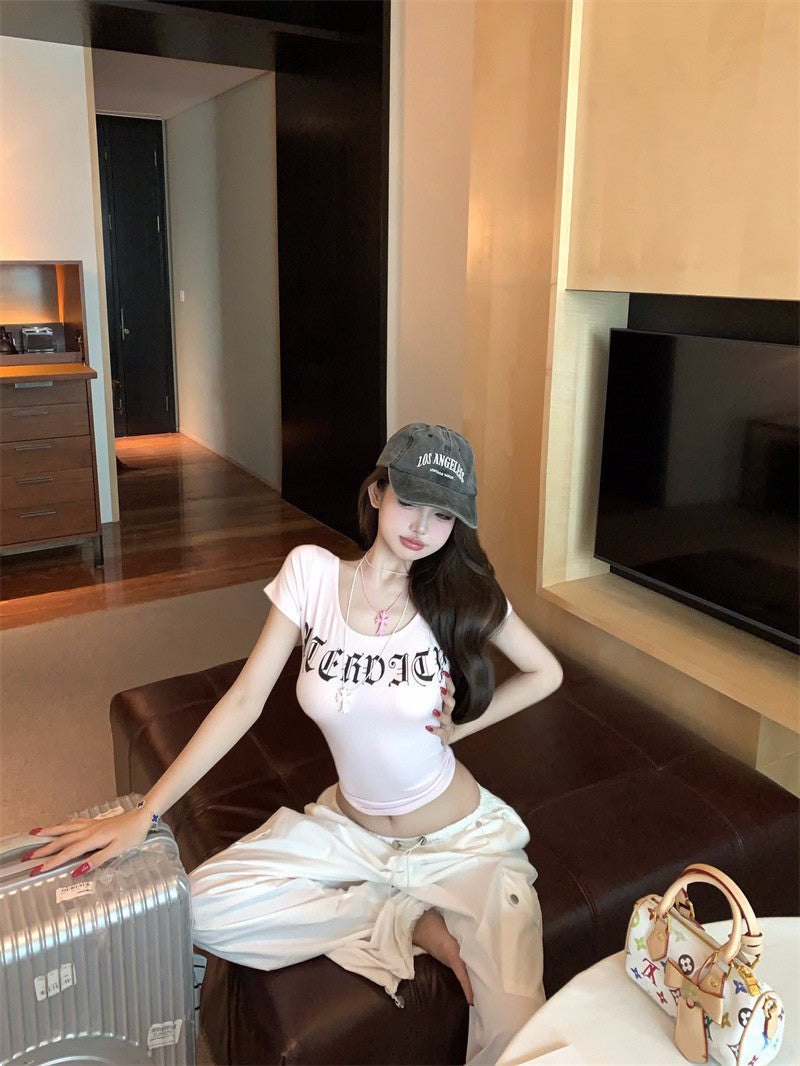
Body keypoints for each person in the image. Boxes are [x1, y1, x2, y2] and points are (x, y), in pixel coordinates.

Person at [25, 422, 563, 1064]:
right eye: (410, 500)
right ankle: (398, 916)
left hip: (460, 844)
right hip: (350, 832)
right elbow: (244, 702)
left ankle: (402, 906)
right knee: (196, 909)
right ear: (377, 493)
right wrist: (147, 812)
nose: (422, 526)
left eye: (443, 514)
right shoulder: (310, 573)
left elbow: (545, 672)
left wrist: (459, 727)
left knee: (519, 1035)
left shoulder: (458, 597)